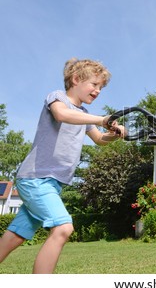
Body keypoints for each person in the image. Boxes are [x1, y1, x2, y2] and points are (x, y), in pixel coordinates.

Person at [0, 58, 125, 273]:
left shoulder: (84, 116)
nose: (98, 91)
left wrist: (114, 135)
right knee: (63, 228)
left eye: (101, 87)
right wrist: (101, 120)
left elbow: (99, 140)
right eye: (94, 85)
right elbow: (62, 115)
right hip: (35, 178)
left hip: (52, 184)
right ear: (76, 79)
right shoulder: (58, 98)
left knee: (15, 236)